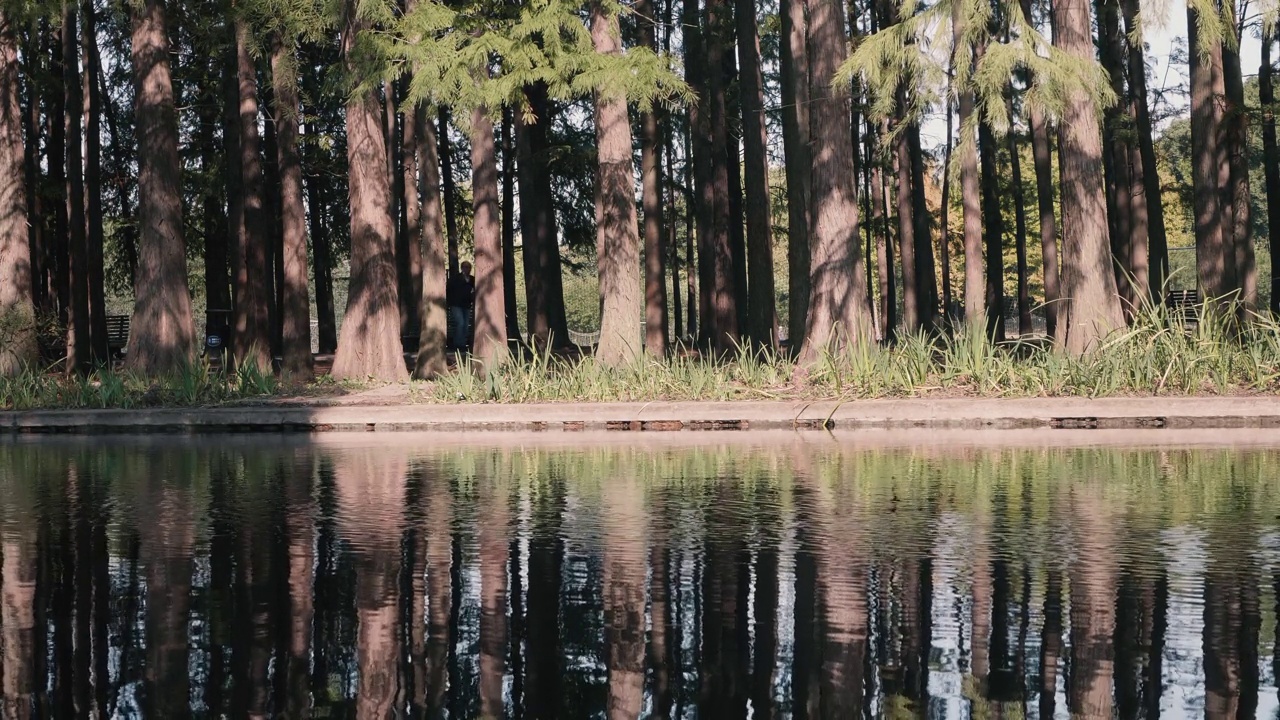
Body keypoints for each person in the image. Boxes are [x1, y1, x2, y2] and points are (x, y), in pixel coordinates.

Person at [446, 261, 475, 351]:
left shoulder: (472, 279)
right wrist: (449, 301)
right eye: (465, 267)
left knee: (465, 325)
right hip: (456, 304)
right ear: (462, 268)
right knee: (460, 323)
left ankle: (462, 344)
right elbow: (449, 289)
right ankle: (457, 344)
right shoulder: (456, 278)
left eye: (468, 267)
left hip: (466, 305)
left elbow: (474, 291)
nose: (467, 269)